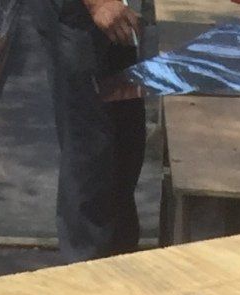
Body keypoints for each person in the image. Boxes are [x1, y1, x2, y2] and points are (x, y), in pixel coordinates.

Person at [32, 0, 146, 260]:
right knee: (91, 152)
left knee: (124, 148)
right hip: (81, 16)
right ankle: (86, 267)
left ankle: (118, 261)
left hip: (113, 16)